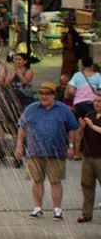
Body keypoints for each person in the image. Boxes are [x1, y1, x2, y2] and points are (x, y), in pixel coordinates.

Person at [16, 82, 78, 220]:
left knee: (55, 181)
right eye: (41, 94)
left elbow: (73, 128)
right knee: (37, 181)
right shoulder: (31, 108)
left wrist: (71, 146)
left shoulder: (63, 109)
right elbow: (22, 126)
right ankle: (37, 208)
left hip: (56, 152)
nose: (43, 96)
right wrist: (19, 145)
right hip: (35, 151)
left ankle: (57, 210)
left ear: (53, 96)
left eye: (47, 94)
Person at [77, 112, 101, 223]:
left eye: (99, 101)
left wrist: (92, 126)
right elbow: (80, 134)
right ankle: (86, 214)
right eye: (95, 101)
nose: (96, 103)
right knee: (87, 185)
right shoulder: (90, 115)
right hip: (88, 156)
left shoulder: (91, 121)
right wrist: (82, 128)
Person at [67, 57, 101, 123]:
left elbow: (71, 91)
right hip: (91, 104)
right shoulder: (98, 76)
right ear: (92, 64)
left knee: (78, 125)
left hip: (78, 104)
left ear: (82, 65)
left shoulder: (77, 75)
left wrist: (78, 95)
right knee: (91, 124)